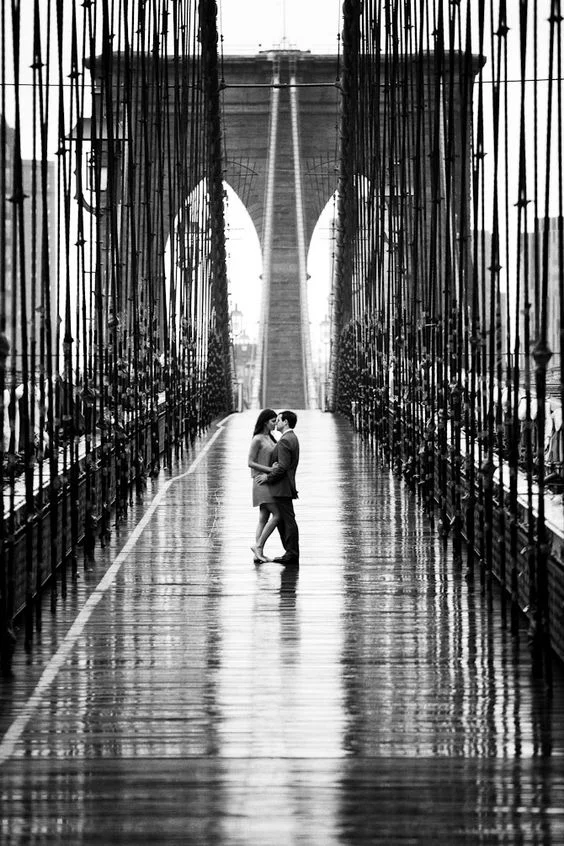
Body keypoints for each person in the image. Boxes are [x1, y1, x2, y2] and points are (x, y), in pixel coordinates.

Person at [256, 410, 300, 567]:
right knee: (285, 520)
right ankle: (290, 552)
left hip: (282, 486)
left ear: (286, 422)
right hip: (285, 485)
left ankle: (291, 553)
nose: (276, 423)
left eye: (279, 420)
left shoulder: (285, 440)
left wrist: (267, 477)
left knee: (287, 521)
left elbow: (282, 467)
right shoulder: (291, 438)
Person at [247, 408, 280, 563]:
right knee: (277, 515)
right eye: (273, 421)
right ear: (265, 422)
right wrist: (269, 470)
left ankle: (258, 554)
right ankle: (258, 546)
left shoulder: (270, 437)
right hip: (261, 480)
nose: (275, 424)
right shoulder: (257, 439)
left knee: (263, 517)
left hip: (268, 480)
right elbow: (250, 462)